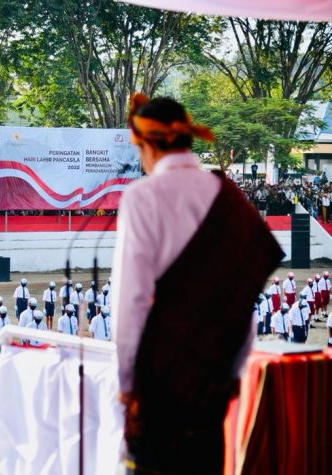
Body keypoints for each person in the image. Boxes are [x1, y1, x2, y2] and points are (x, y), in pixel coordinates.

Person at [113, 94, 282, 474]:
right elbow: (241, 298)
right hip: (213, 386)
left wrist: (128, 385)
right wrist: (232, 373)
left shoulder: (142, 197)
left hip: (160, 386)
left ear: (148, 144)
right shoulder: (231, 198)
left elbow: (131, 302)